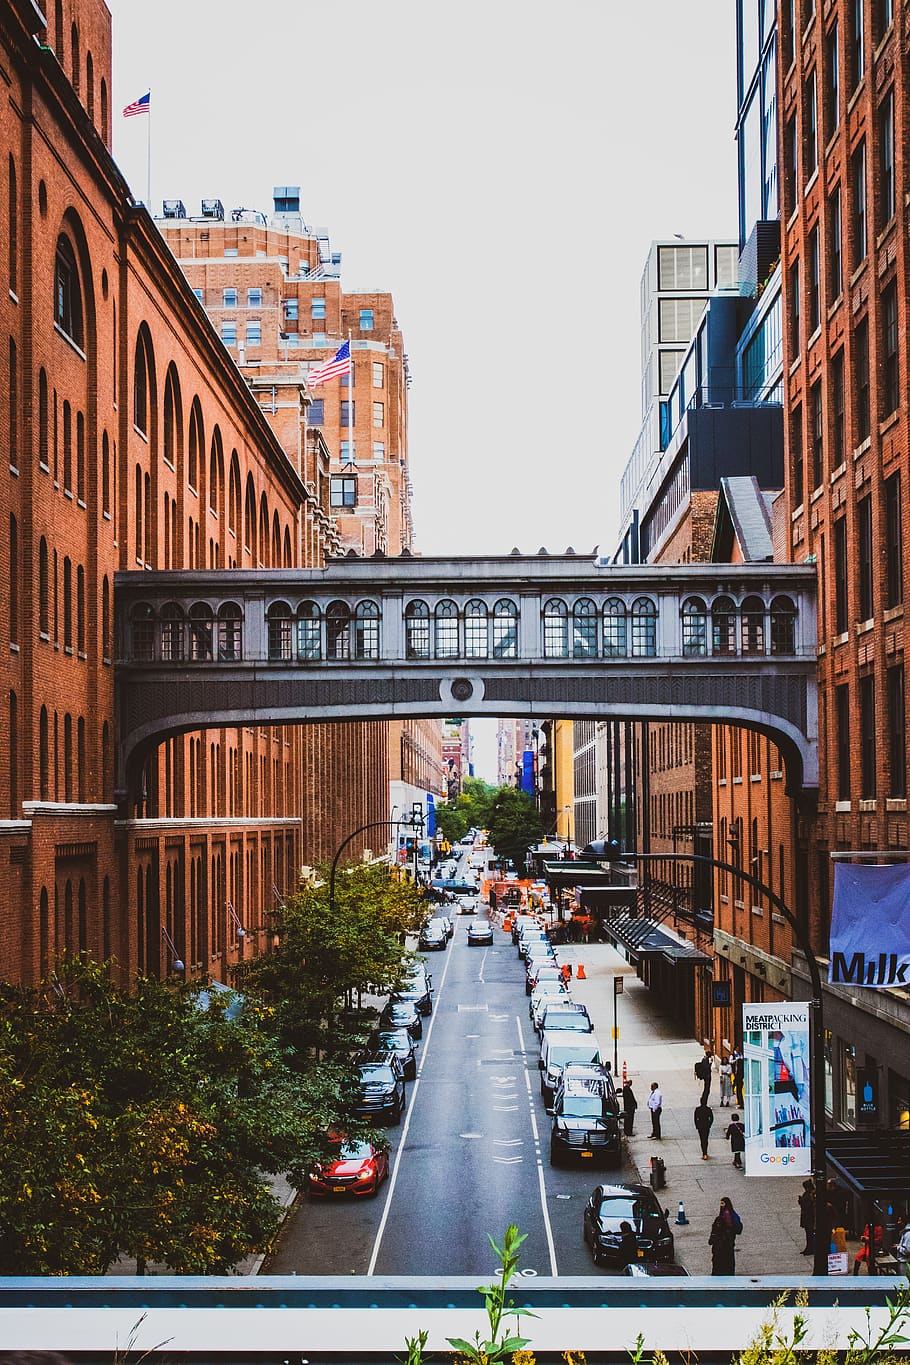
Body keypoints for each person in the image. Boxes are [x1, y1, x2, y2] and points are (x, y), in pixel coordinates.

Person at [709, 1197, 741, 1275]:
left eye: (723, 1203)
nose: (721, 1205)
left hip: (726, 1241)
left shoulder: (726, 1213)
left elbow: (729, 1226)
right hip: (729, 1240)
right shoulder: (730, 1212)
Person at [798, 1179, 815, 1255]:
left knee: (810, 1234)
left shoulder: (811, 1195)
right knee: (808, 1234)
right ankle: (808, 1248)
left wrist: (801, 1201)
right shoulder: (807, 1194)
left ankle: (810, 1248)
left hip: (809, 1217)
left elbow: (807, 1206)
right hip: (807, 1217)